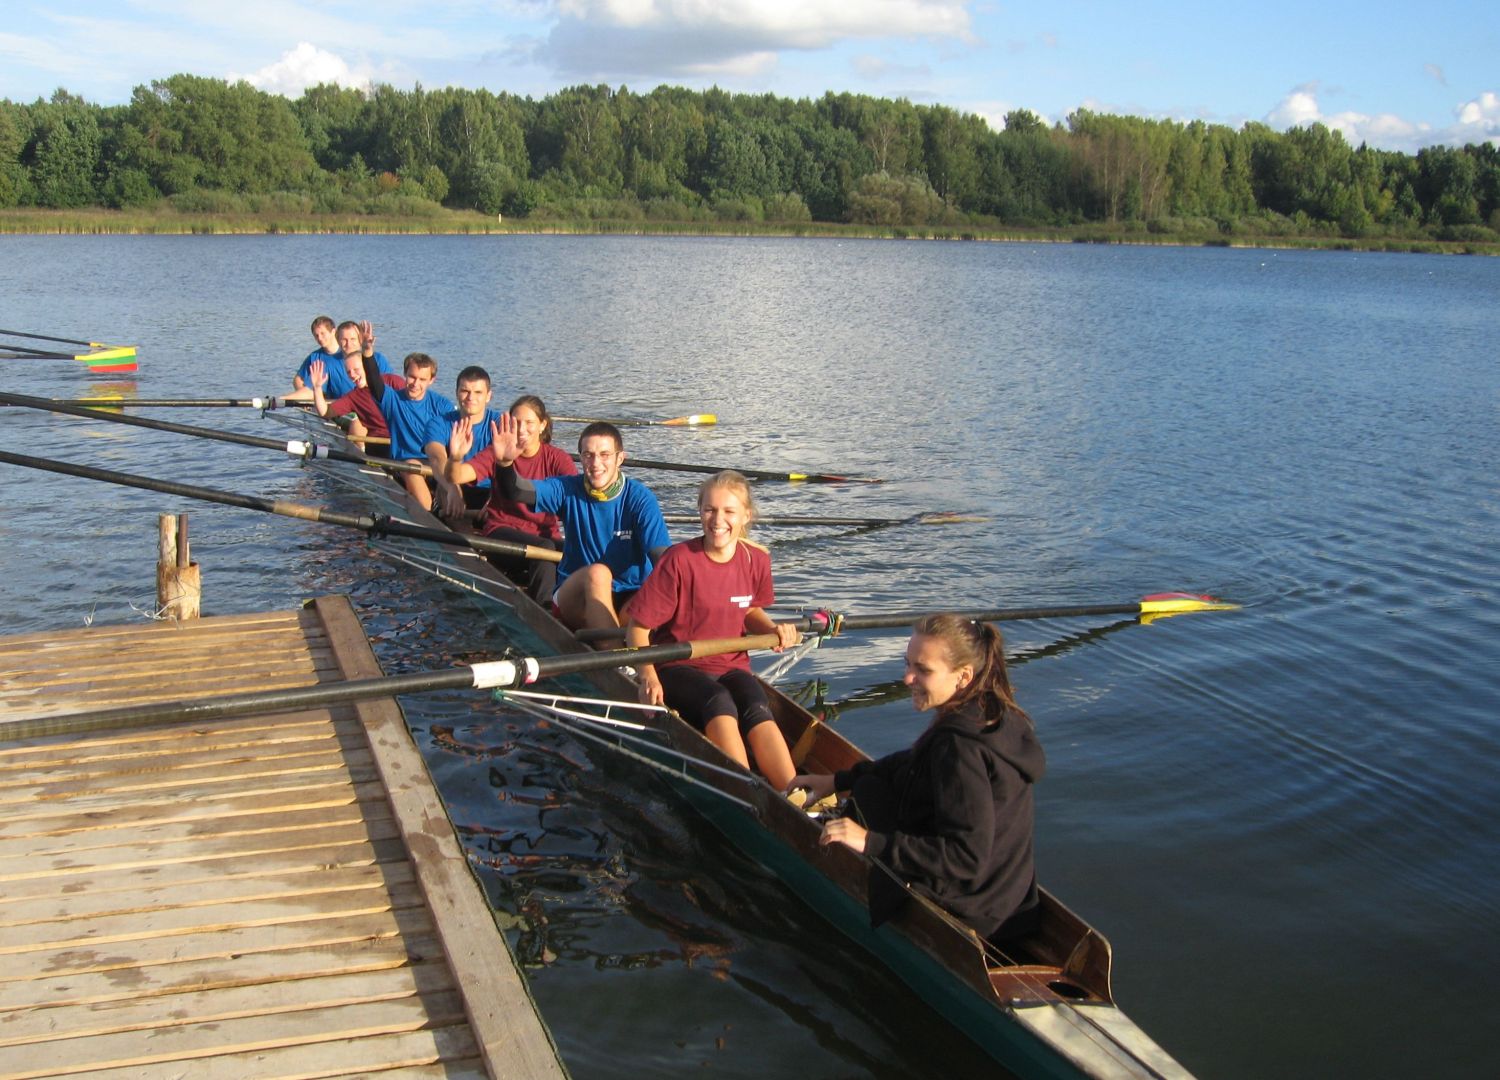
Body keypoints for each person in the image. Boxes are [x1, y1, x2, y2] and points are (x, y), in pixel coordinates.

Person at [789, 615, 1046, 941]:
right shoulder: (994, 713)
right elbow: (911, 762)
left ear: (963, 675)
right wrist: (838, 781)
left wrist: (869, 842)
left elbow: (967, 858)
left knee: (869, 795)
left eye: (923, 670)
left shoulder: (959, 746)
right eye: (907, 663)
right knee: (871, 784)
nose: (907, 678)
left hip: (972, 912)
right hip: (1012, 902)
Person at [625, 471, 801, 790]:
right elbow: (637, 629)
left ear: (746, 515)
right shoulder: (679, 560)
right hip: (677, 665)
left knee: (756, 705)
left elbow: (747, 609)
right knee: (718, 699)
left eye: (728, 511)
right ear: (700, 512)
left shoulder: (756, 559)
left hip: (732, 664)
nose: (717, 520)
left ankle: (794, 791)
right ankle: (747, 789)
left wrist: (775, 629)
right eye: (709, 509)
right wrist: (647, 676)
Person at [489, 413, 670, 631]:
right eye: (588, 455)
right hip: (576, 595)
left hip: (630, 593)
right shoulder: (566, 488)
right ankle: (617, 658)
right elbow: (516, 490)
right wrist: (505, 463)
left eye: (605, 455)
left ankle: (627, 649)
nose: (596, 464)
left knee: (666, 588)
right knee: (598, 573)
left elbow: (663, 559)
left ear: (620, 458)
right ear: (581, 457)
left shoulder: (640, 498)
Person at [447, 394, 576, 601]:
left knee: (576, 550)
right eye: (516, 423)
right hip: (501, 534)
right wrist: (455, 458)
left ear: (542, 425)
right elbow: (457, 476)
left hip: (545, 535)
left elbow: (576, 499)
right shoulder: (498, 452)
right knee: (544, 549)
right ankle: (546, 610)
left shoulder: (557, 458)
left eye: (529, 423)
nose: (522, 429)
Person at [363, 349, 455, 509]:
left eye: (422, 379)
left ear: (432, 380)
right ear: (405, 374)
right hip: (406, 464)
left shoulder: (442, 405)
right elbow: (374, 382)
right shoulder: (392, 399)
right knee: (412, 467)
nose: (415, 384)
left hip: (436, 462)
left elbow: (454, 439)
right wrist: (368, 354)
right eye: (412, 377)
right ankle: (427, 515)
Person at [426, 365, 503, 518]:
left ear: (488, 396)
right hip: (453, 486)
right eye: (465, 391)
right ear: (456, 393)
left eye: (478, 392)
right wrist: (452, 487)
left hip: (492, 491)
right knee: (444, 488)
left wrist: (497, 499)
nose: (470, 397)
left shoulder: (500, 423)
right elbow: (436, 458)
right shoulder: (438, 423)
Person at [308, 352, 405, 454]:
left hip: (403, 438)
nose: (352, 375)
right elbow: (325, 412)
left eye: (356, 370)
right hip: (380, 443)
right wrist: (317, 388)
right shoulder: (353, 397)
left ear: (366, 366)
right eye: (349, 372)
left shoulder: (392, 381)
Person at [290, 319, 394, 400]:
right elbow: (309, 391)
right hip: (344, 413)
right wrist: (280, 400)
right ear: (338, 341)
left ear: (360, 339)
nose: (349, 344)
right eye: (344, 340)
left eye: (353, 339)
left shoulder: (379, 359)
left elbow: (393, 386)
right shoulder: (327, 364)